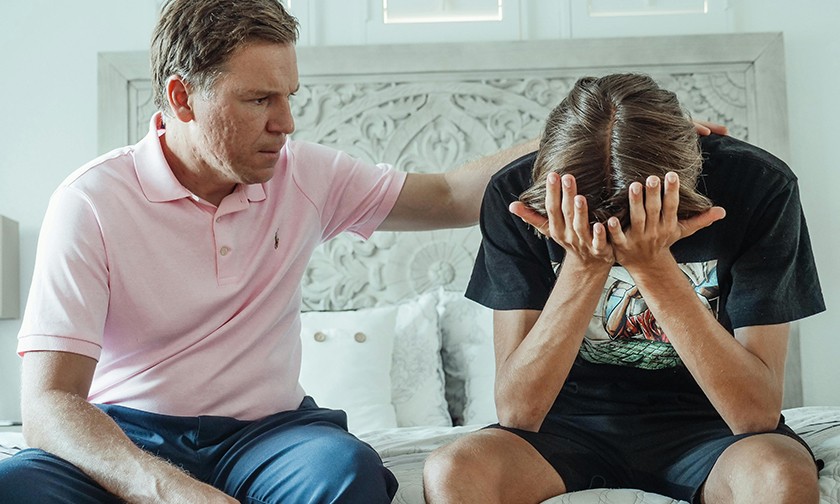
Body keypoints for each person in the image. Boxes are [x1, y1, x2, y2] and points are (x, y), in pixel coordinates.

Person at [0, 1, 545, 503]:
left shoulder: (305, 174)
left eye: (289, 97)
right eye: (259, 99)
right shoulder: (90, 202)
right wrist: (168, 491)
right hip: (130, 433)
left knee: (346, 471)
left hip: (269, 438)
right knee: (17, 485)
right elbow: (48, 403)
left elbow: (449, 194)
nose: (285, 123)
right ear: (182, 98)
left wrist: (574, 131)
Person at [423, 73, 825, 504]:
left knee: (780, 475)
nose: (613, 240)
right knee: (451, 471)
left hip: (716, 429)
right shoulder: (517, 194)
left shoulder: (759, 184)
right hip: (560, 430)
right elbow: (518, 411)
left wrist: (653, 268)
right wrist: (584, 265)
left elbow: (756, 415)